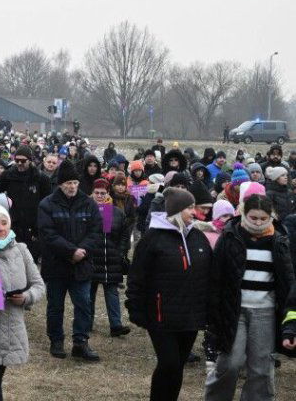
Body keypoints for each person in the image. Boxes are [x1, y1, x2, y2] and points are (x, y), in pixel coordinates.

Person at [204, 194, 296, 400]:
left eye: (264, 218)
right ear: (244, 214)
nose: (258, 223)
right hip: (234, 310)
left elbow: (288, 279)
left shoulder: (280, 240)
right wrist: (213, 312)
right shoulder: (230, 236)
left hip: (265, 310)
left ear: (271, 217)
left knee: (261, 368)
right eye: (254, 218)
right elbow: (216, 276)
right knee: (230, 363)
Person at [125, 188, 212, 401]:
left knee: (178, 366)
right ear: (176, 210)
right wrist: (135, 307)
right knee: (169, 363)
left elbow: (209, 274)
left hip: (191, 314)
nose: (194, 212)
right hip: (161, 315)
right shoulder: (152, 239)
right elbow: (137, 276)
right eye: (189, 207)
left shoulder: (198, 237)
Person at [0, 201, 45, 401]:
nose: (0, 228)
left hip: (12, 326)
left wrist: (26, 297)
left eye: (3, 222)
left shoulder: (21, 250)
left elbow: (38, 284)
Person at [37, 160, 102, 361]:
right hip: (56, 264)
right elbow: (48, 234)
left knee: (83, 303)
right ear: (60, 184)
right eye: (68, 183)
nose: (72, 186)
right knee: (55, 305)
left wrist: (82, 251)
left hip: (81, 265)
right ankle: (56, 340)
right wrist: (71, 251)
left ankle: (80, 342)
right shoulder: (47, 204)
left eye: (75, 182)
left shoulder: (89, 203)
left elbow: (96, 231)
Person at [0, 145, 52, 262]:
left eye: (23, 161)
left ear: (30, 160)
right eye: (16, 160)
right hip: (14, 224)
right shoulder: (9, 175)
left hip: (34, 226)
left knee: (31, 261)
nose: (19, 163)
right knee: (15, 260)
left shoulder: (40, 178)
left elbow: (48, 202)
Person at [88, 179, 131, 337]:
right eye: (97, 193)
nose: (100, 195)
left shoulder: (114, 212)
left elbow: (123, 234)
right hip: (93, 257)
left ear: (108, 194)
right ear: (92, 193)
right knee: (89, 293)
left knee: (112, 292)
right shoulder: (87, 210)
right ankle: (87, 322)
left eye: (103, 193)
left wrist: (120, 252)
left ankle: (116, 325)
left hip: (111, 259)